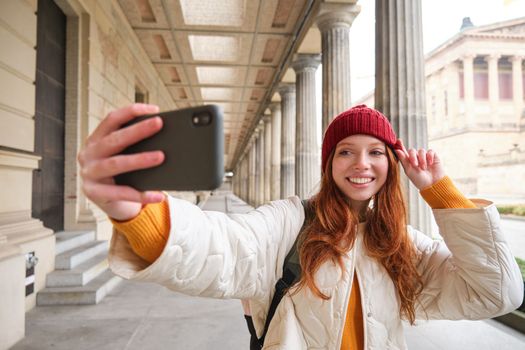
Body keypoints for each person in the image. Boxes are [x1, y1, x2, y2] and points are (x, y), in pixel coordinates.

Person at [78, 103, 523, 349]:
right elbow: (226, 248)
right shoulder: (291, 222)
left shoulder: (402, 244)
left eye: (375, 152)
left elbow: (496, 292)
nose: (361, 164)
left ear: (391, 163)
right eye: (346, 151)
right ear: (329, 162)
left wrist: (440, 193)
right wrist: (139, 213)